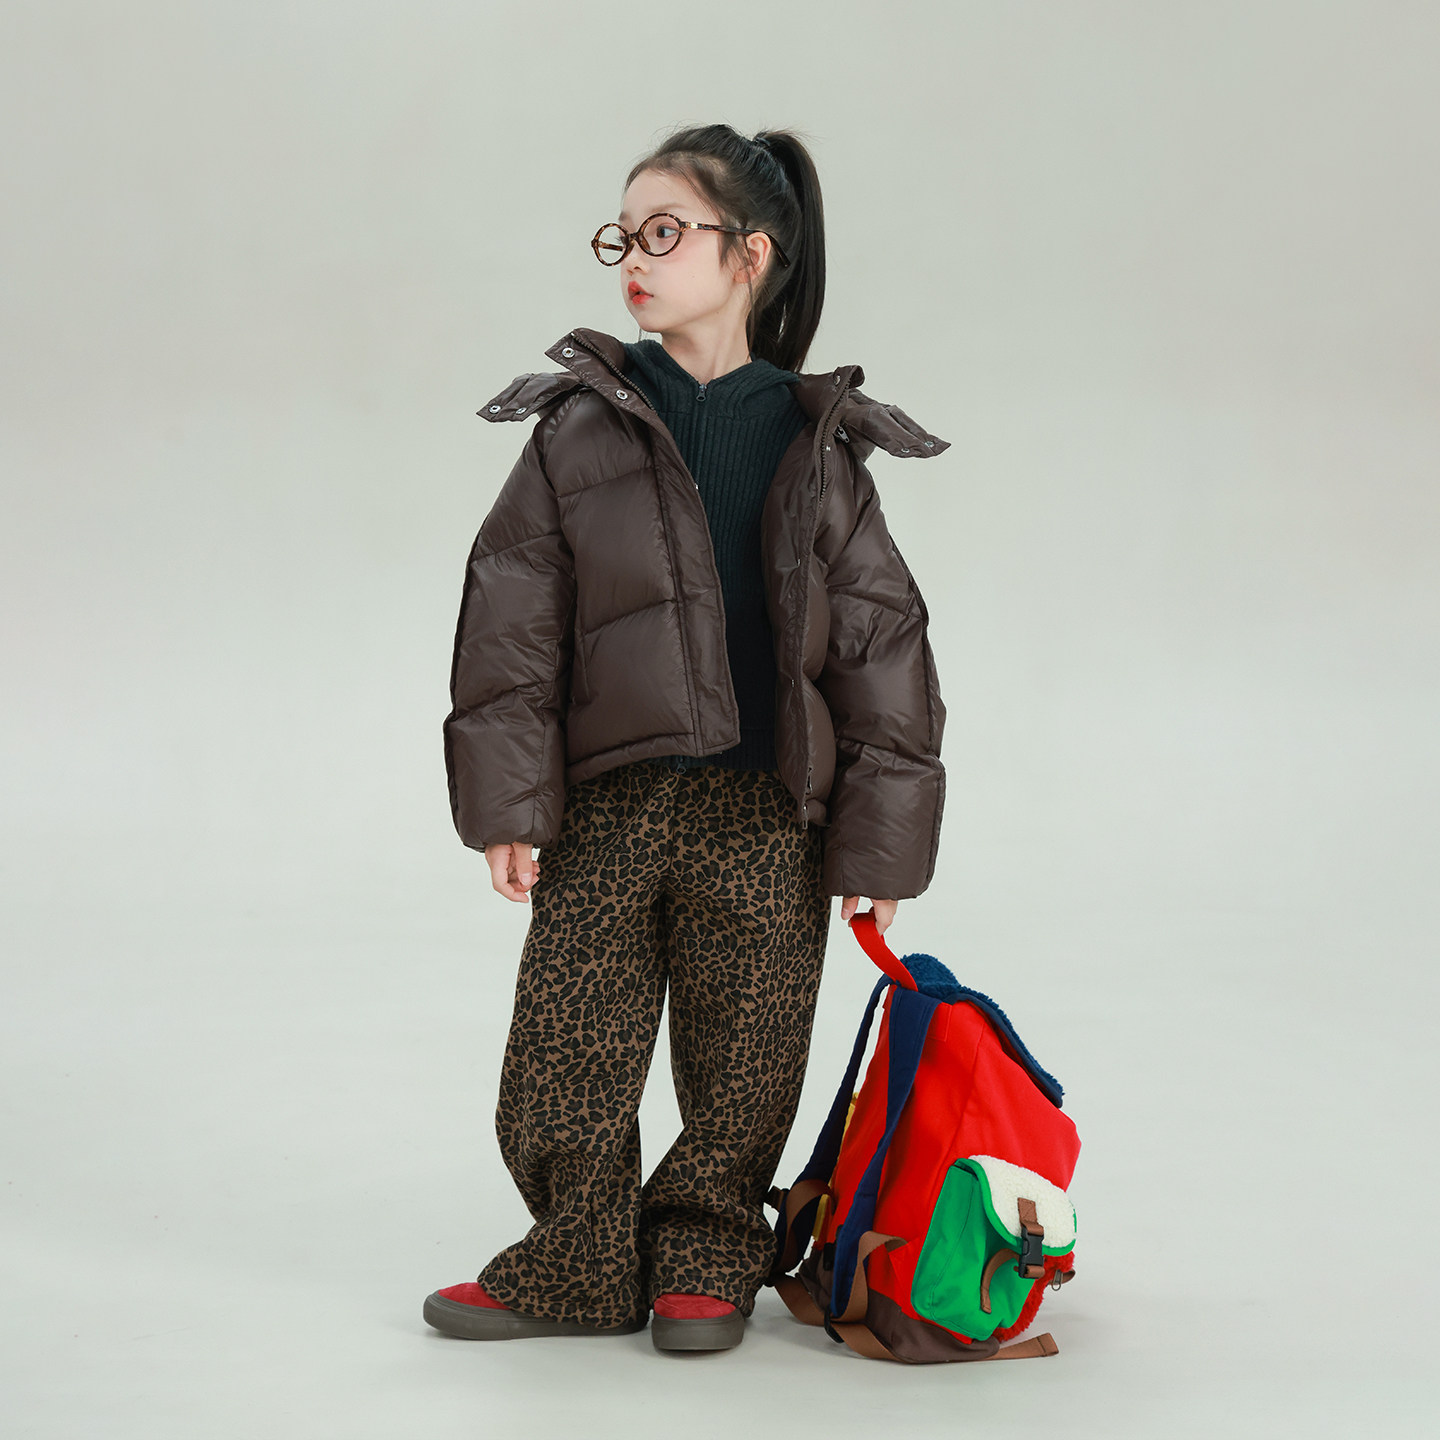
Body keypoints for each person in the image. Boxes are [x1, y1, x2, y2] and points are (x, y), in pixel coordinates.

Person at [423, 123, 949, 1354]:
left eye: (663, 233)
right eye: (622, 239)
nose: (635, 262)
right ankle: (576, 1258)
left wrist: (879, 842)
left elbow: (883, 648)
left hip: (766, 812)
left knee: (748, 1053)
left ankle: (707, 1255)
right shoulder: (579, 430)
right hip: (608, 801)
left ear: (749, 254)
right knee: (564, 1045)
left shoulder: (819, 445)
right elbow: (511, 624)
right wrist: (509, 802)